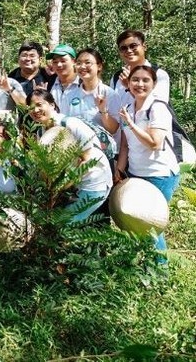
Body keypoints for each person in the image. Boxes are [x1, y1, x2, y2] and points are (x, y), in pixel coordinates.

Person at [116, 65, 180, 252]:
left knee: (152, 225)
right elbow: (125, 145)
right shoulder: (127, 108)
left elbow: (154, 143)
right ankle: (143, 268)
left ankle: (160, 272)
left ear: (154, 84)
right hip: (136, 173)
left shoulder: (157, 108)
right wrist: (119, 169)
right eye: (135, 80)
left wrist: (131, 123)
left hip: (159, 173)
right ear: (128, 83)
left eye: (146, 80)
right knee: (136, 223)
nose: (140, 84)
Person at [27, 88, 113, 222]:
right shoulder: (41, 132)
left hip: (93, 183)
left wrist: (62, 185)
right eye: (31, 107)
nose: (35, 110)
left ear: (52, 104)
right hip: (73, 187)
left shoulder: (70, 124)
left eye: (39, 104)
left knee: (62, 224)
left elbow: (87, 159)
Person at [111, 29, 170, 105]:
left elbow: (158, 108)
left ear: (144, 47)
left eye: (133, 46)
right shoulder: (116, 78)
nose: (129, 51)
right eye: (123, 48)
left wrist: (129, 86)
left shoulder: (159, 75)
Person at [70, 48, 121, 135]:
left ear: (99, 66)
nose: (82, 66)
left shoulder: (110, 94)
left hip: (102, 148)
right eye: (78, 63)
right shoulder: (70, 95)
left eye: (87, 62)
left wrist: (103, 111)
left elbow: (114, 129)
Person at [47, 44, 80, 111]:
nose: (59, 65)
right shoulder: (49, 84)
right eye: (55, 62)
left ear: (74, 61)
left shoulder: (84, 84)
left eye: (63, 61)